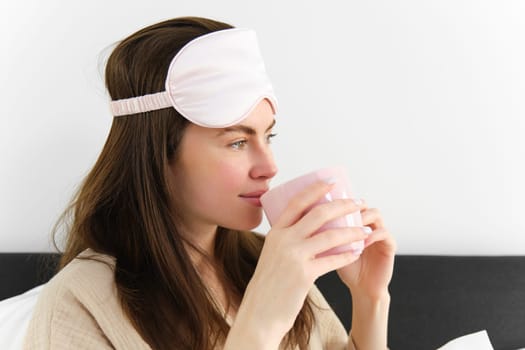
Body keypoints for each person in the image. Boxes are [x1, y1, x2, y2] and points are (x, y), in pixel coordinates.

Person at [24, 16, 396, 350]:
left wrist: (370, 301)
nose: (269, 167)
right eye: (236, 142)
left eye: (268, 137)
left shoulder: (265, 261)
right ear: (159, 153)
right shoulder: (81, 303)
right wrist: (260, 324)